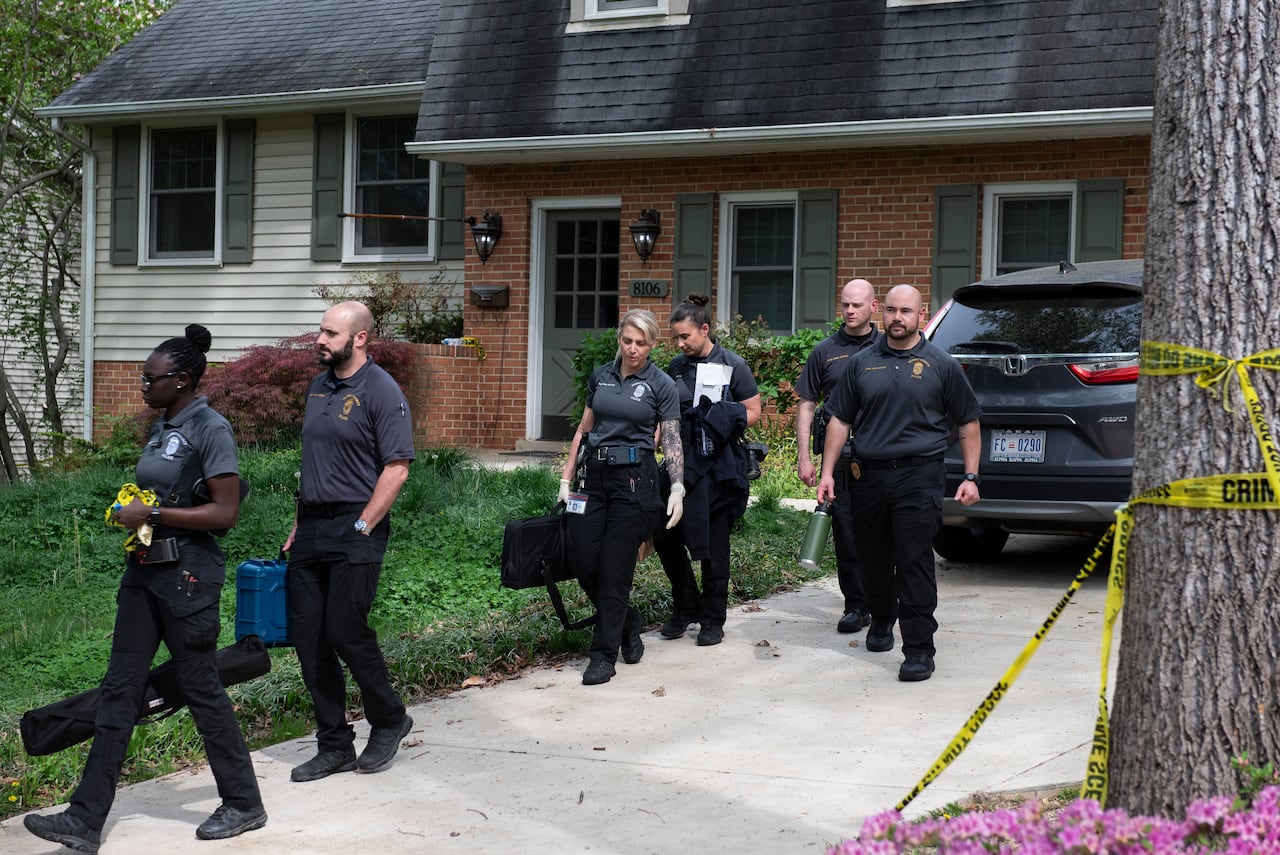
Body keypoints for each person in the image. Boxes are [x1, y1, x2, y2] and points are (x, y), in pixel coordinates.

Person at [25, 325, 266, 853]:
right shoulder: (163, 426)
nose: (141, 385)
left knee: (201, 689)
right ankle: (85, 820)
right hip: (144, 572)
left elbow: (225, 512)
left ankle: (244, 802)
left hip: (188, 579)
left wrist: (152, 511)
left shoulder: (211, 428)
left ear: (180, 380)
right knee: (120, 689)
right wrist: (134, 515)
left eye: (149, 378)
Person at [818, 284, 981, 682]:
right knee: (871, 559)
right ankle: (881, 618)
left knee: (913, 561)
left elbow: (968, 422)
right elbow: (840, 419)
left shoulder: (941, 364)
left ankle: (920, 649)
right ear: (882, 312)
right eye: (891, 310)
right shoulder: (862, 363)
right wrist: (827, 472)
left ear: (920, 315)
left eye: (905, 311)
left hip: (919, 474)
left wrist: (972, 476)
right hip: (869, 475)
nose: (896, 318)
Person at [284, 301, 416, 781]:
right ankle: (334, 744)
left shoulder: (381, 390)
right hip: (312, 528)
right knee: (309, 639)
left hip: (356, 525)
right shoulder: (319, 386)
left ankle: (389, 719)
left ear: (359, 338)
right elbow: (314, 462)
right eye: (320, 331)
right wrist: (299, 522)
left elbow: (397, 467)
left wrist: (364, 524)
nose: (319, 340)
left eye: (329, 333)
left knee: (344, 628)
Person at [559, 309, 684, 685]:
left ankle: (603, 656)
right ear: (620, 339)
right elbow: (584, 431)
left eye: (641, 343)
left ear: (652, 345)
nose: (632, 349)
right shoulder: (601, 377)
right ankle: (627, 621)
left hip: (634, 481)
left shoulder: (661, 384)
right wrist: (566, 479)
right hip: (593, 478)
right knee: (583, 560)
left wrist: (677, 485)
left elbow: (673, 440)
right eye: (627, 341)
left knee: (615, 570)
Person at [654, 293, 762, 647]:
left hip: (719, 468)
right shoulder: (675, 368)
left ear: (704, 329)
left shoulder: (733, 365)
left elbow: (753, 411)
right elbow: (663, 415)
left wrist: (722, 413)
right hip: (680, 464)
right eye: (676, 338)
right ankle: (685, 607)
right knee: (668, 538)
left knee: (715, 548)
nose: (680, 343)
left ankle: (713, 619)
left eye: (685, 336)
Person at [795, 278, 881, 634]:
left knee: (882, 534)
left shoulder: (889, 346)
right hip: (841, 458)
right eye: (845, 304)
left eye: (857, 305)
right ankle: (856, 606)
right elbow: (806, 404)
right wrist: (804, 457)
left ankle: (886, 602)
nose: (849, 311)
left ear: (873, 307)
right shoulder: (825, 351)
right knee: (846, 534)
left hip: (881, 456)